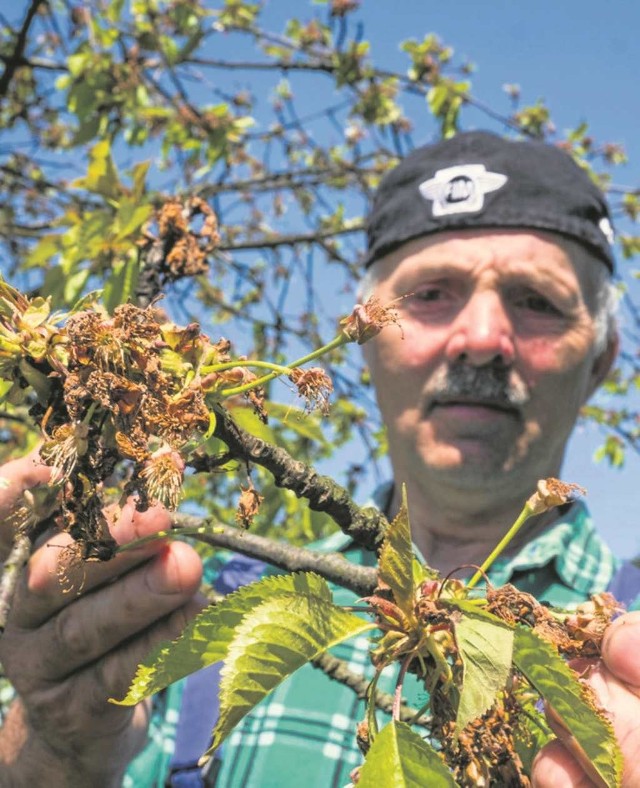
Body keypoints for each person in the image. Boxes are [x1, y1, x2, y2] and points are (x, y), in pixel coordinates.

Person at [1, 130, 639, 786]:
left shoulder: (627, 642)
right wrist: (55, 750)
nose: (481, 339)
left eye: (538, 302)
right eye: (430, 294)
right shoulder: (187, 607)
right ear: (364, 336)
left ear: (602, 359)